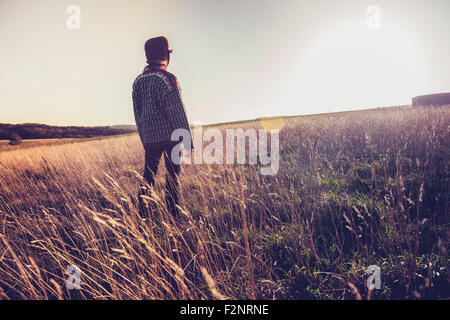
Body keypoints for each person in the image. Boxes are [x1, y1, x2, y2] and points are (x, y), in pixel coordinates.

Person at [132, 36, 192, 217]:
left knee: (148, 176)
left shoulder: (137, 82)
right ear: (167, 55)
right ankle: (174, 213)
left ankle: (143, 212)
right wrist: (187, 139)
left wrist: (144, 139)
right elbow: (177, 111)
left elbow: (137, 114)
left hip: (150, 139)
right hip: (170, 138)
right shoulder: (167, 79)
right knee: (172, 176)